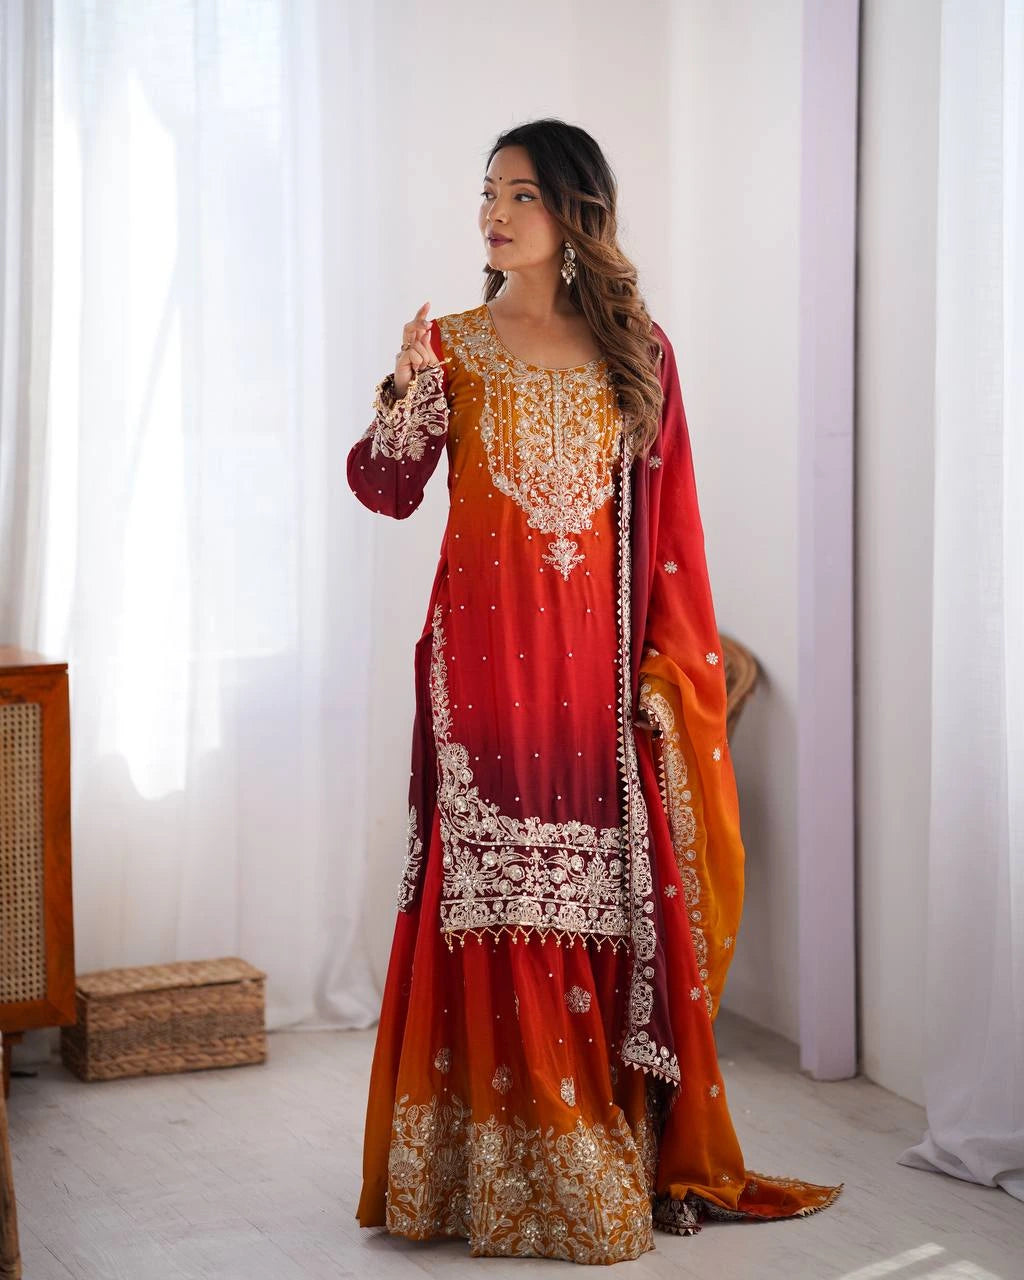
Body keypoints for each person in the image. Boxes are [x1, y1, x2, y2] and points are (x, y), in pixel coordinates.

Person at [347, 117, 843, 1266]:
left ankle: (592, 1142)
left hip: (589, 688)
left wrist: (664, 689)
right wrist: (407, 388)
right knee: (491, 905)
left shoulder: (641, 351)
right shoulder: (455, 345)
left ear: (575, 213)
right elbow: (382, 487)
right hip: (477, 683)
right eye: (486, 191)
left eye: (519, 192)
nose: (494, 211)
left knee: (585, 909)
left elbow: (671, 540)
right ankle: (490, 1171)